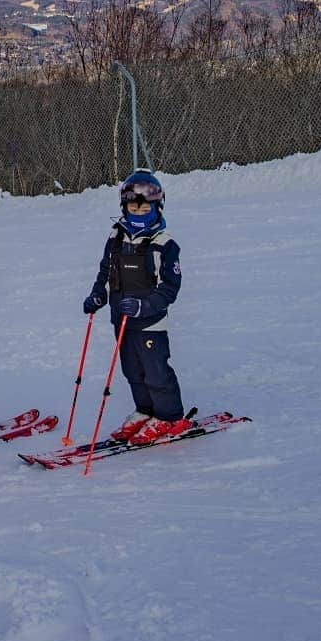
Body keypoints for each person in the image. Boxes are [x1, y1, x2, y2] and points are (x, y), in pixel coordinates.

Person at [82, 170, 191, 446]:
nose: (139, 211)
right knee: (132, 370)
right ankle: (145, 411)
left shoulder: (164, 245)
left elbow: (169, 288)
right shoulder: (116, 239)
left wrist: (144, 306)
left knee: (155, 370)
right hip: (121, 319)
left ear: (157, 206)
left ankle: (169, 416)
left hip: (150, 322)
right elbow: (106, 272)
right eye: (133, 206)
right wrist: (98, 296)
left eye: (145, 206)